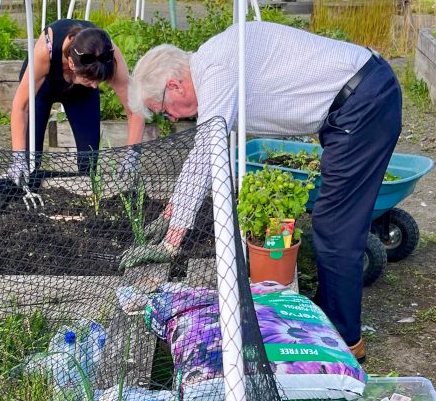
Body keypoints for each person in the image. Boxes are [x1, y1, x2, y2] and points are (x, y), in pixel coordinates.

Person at [123, 20, 403, 362]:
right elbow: (204, 153)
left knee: (336, 227)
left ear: (174, 85)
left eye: (162, 109)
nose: (169, 118)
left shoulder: (217, 70)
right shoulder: (214, 61)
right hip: (352, 103)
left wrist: (171, 241)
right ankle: (330, 316)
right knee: (333, 223)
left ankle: (345, 343)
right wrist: (171, 211)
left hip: (363, 102)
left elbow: (206, 152)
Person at [7, 19, 146, 186]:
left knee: (89, 160)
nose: (95, 85)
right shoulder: (46, 49)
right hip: (42, 90)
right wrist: (18, 158)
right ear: (72, 64)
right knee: (28, 160)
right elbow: (20, 107)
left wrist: (132, 155)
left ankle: (85, 197)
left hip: (81, 95)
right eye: (90, 80)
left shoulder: (109, 56)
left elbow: (135, 109)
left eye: (99, 81)